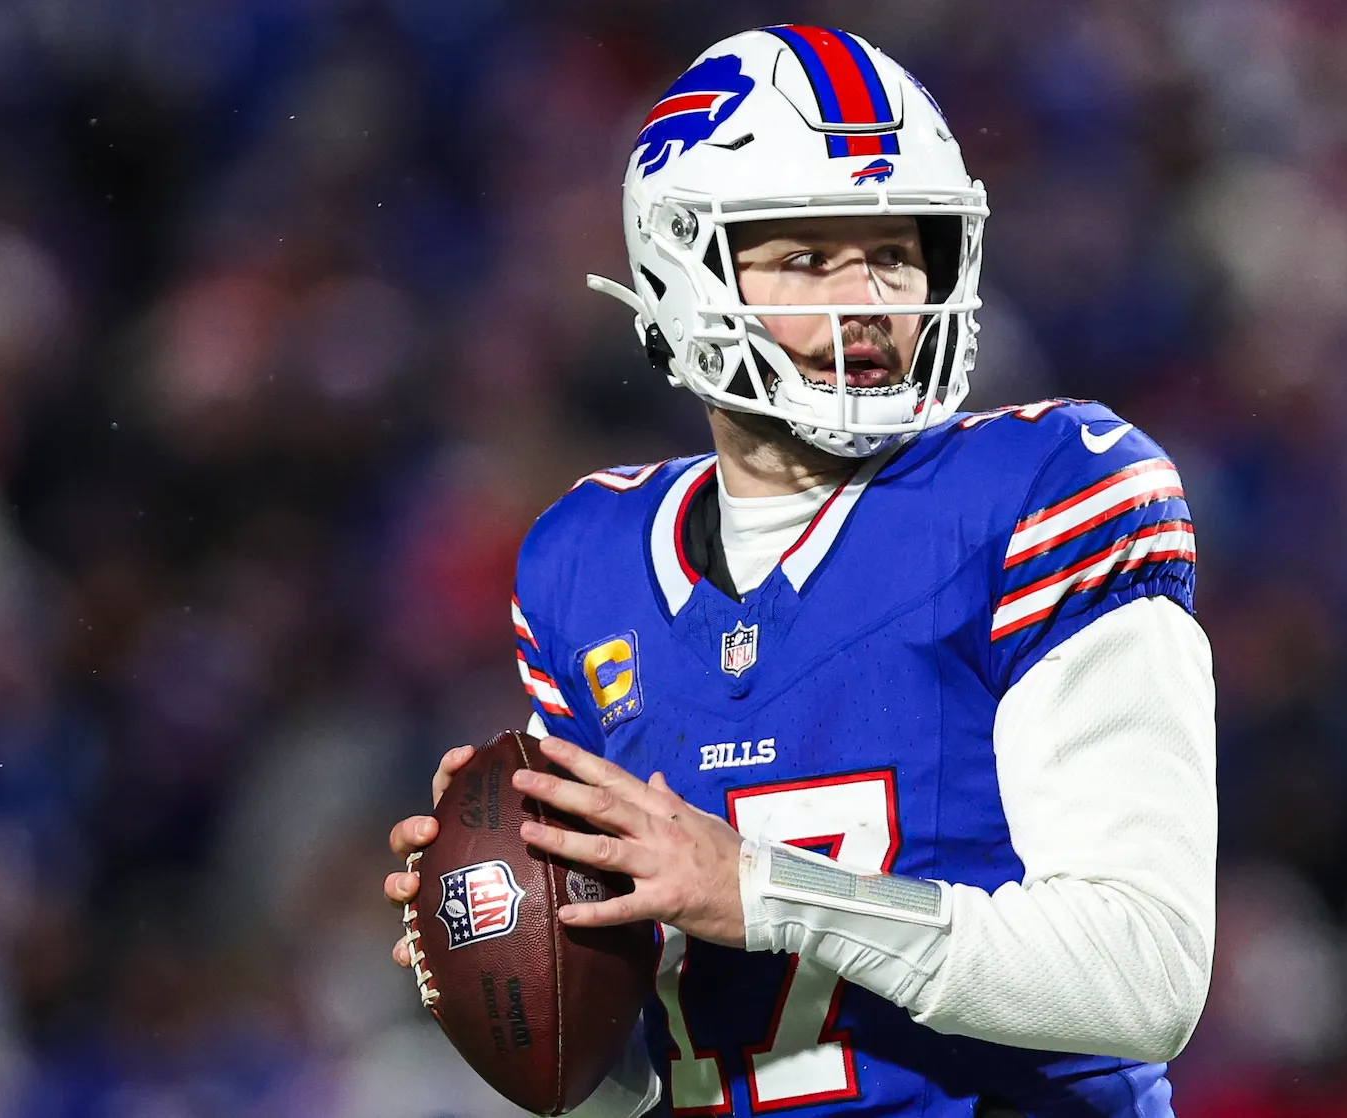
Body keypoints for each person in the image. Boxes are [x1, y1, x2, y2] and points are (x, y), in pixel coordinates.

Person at [383, 25, 1217, 1118]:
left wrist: (764, 889)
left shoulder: (1046, 492)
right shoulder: (583, 563)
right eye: (808, 257)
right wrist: (515, 976)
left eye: (896, 251)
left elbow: (1144, 975)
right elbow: (654, 1076)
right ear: (683, 275)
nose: (868, 295)